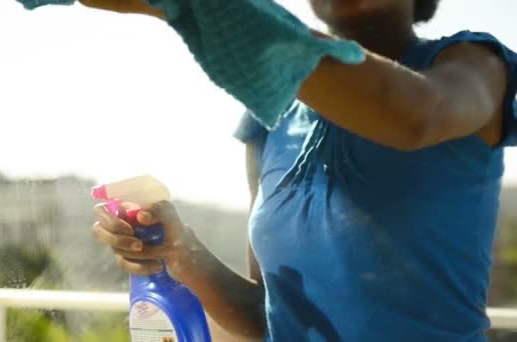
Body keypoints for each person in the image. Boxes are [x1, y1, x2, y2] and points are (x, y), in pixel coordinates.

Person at [88, 0, 517, 340]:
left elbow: (415, 115)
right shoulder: (269, 118)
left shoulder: (474, 63)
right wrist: (180, 250)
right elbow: (266, 316)